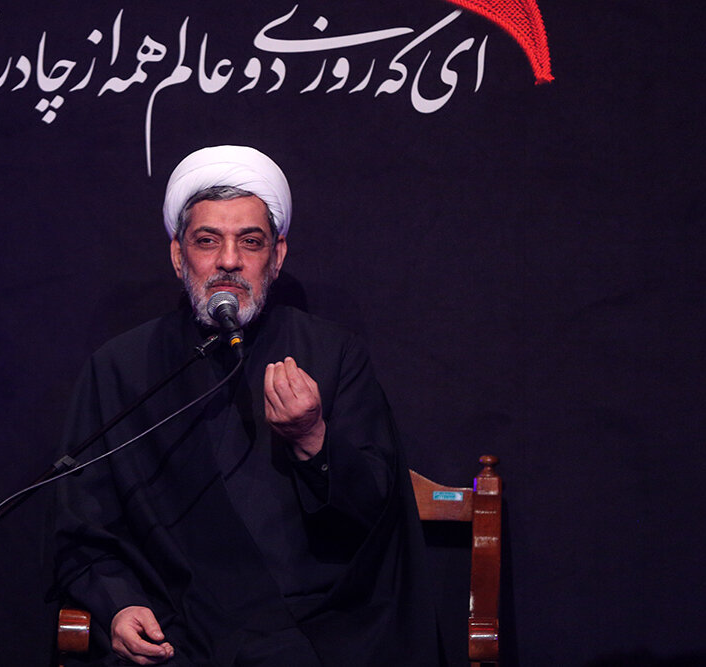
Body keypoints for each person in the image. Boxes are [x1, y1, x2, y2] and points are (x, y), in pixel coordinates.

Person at [54, 146, 437, 666]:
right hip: (176, 633)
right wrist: (119, 605)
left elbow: (377, 515)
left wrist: (313, 439)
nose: (229, 261)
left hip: (310, 630)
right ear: (178, 255)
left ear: (276, 257)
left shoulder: (334, 354)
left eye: (250, 242)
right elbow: (81, 524)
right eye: (207, 241)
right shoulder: (121, 368)